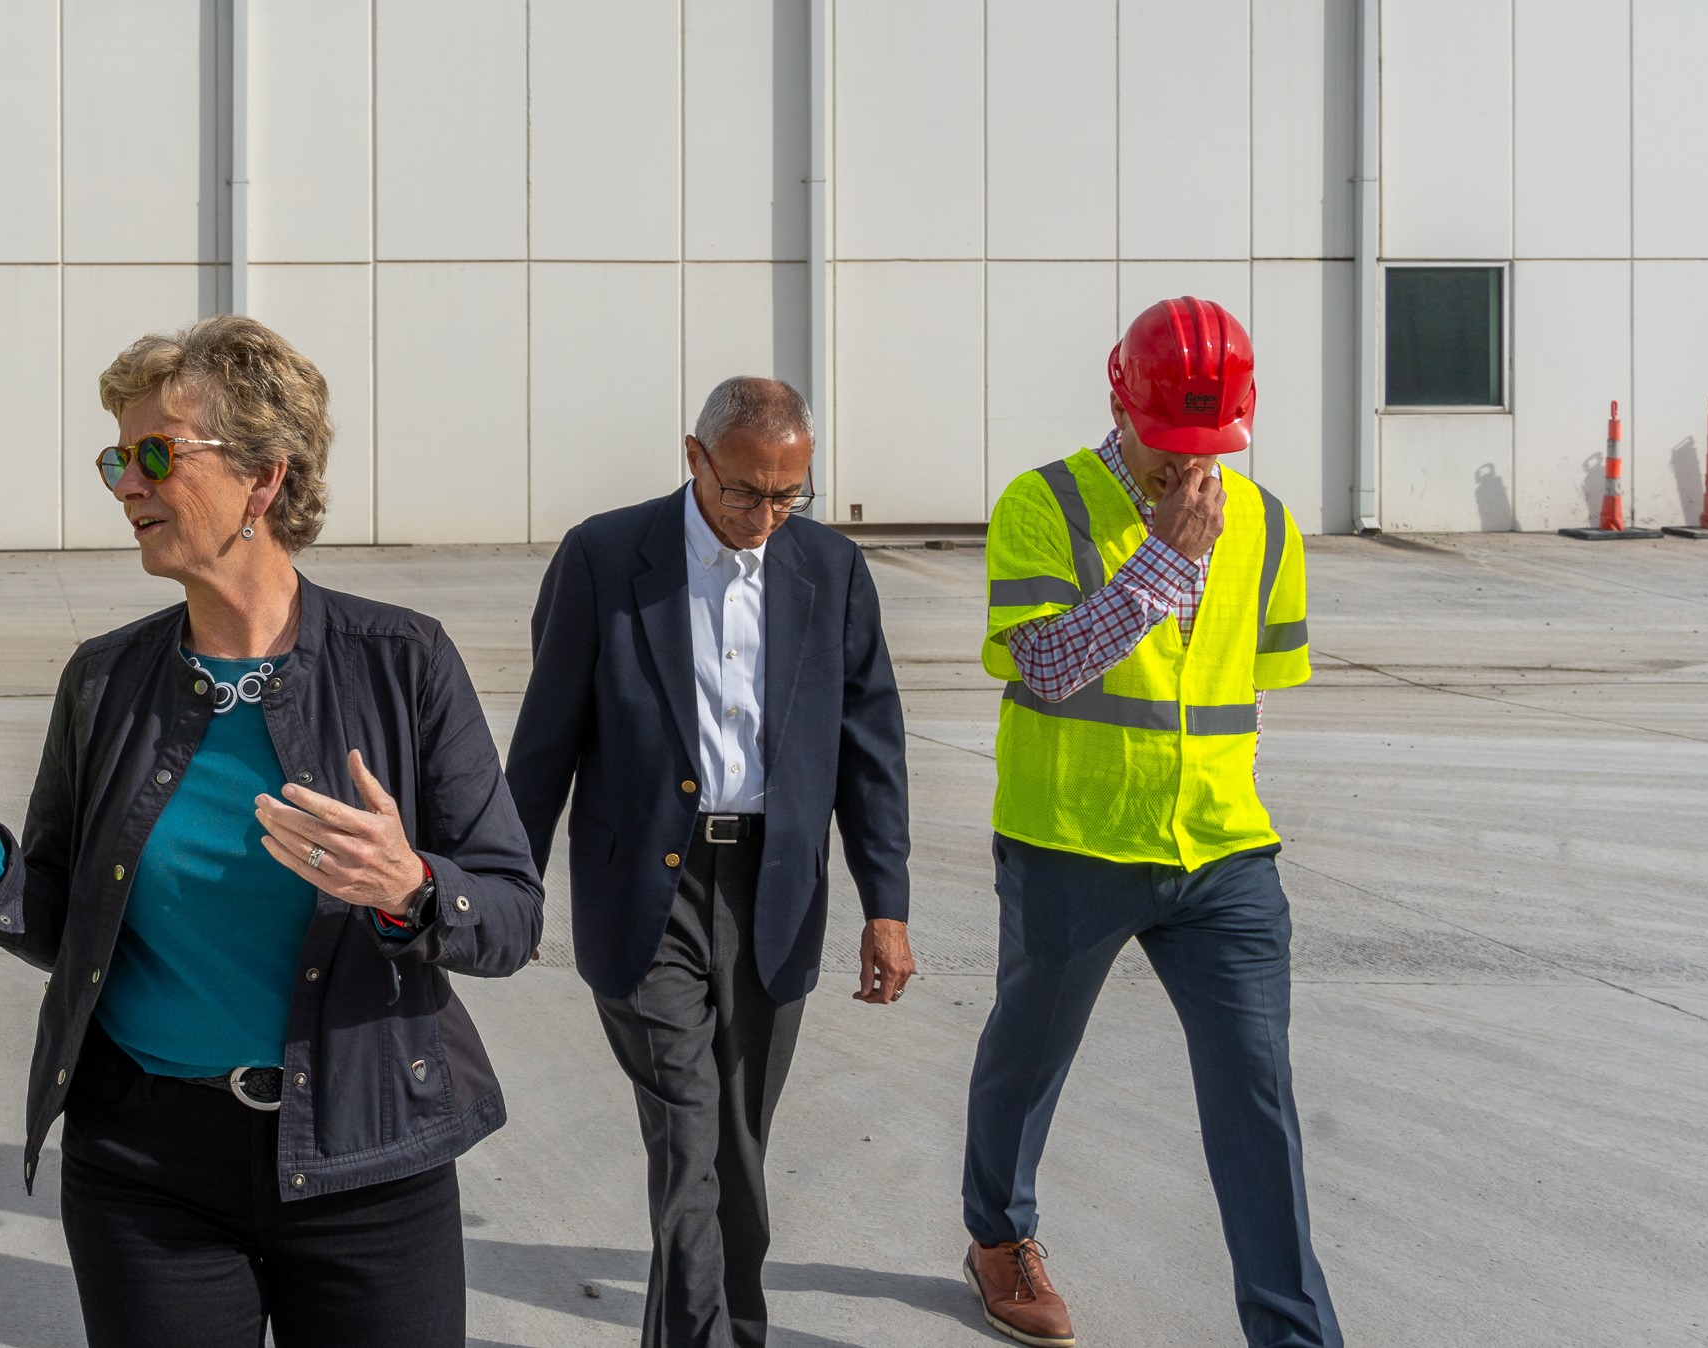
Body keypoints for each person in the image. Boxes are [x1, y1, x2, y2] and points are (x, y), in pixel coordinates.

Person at [0, 315, 543, 1347]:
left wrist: (409, 884)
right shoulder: (105, 679)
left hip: (368, 1158)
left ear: (263, 478)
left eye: (157, 453)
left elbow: (510, 916)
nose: (126, 483)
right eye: (117, 456)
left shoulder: (405, 662)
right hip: (146, 1172)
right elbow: (69, 922)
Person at [505, 376, 915, 1347]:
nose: (764, 516)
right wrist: (507, 886)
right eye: (743, 493)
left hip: (775, 892)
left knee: (735, 1149)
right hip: (648, 891)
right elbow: (544, 741)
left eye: (787, 496)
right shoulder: (606, 558)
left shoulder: (830, 569)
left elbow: (871, 746)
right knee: (691, 1135)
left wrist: (885, 905)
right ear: (693, 459)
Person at [960, 296, 1332, 1348]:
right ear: (1117, 401)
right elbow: (1042, 666)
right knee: (1028, 1059)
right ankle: (999, 1232)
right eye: (1166, 442)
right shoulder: (1044, 505)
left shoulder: (1265, 523)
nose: (1185, 467)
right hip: (1071, 840)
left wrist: (1232, 804)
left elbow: (1251, 695)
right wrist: (1159, 567)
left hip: (1222, 855)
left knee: (1258, 1103)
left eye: (1205, 446)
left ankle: (1295, 1334)